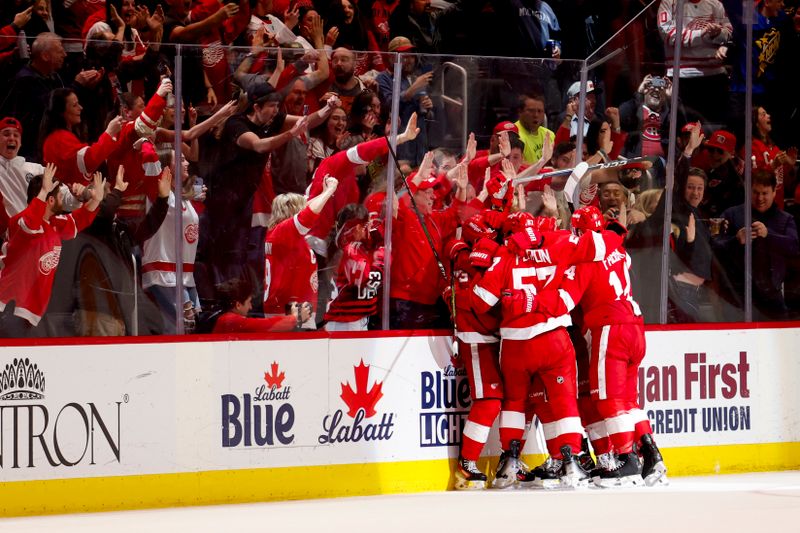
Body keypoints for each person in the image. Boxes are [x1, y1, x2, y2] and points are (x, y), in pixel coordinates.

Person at [470, 213, 624, 488]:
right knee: (564, 400)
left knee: (515, 402)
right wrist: (615, 230)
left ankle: (509, 463)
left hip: (516, 343)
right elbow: (602, 246)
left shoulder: (505, 252)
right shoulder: (561, 242)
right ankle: (571, 462)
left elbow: (481, 301)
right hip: (553, 338)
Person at [536, 206, 668, 487]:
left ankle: (626, 460)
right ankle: (650, 453)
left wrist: (533, 301)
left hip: (612, 327)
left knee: (607, 398)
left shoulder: (586, 259)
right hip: (635, 324)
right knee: (628, 399)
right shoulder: (620, 252)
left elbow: (565, 302)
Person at [0, 165, 104, 337]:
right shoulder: (21, 221)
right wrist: (45, 190)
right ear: (50, 201)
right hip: (8, 306)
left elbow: (80, 220)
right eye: (59, 195)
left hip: (30, 310)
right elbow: (30, 223)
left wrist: (97, 199)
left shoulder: (54, 224)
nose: (63, 198)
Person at [714, 171, 799, 320]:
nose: (760, 198)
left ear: (774, 192)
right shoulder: (731, 214)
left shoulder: (786, 219)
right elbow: (714, 246)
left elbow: (794, 248)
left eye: (765, 193)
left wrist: (769, 235)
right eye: (755, 192)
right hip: (737, 296)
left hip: (771, 297)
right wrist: (735, 240)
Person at [263, 175, 339, 329]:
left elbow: (307, 209)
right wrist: (330, 190)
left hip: (295, 308)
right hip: (289, 312)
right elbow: (308, 214)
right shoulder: (284, 231)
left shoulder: (282, 233)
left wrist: (323, 194)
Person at [141, 151, 201, 335]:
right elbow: (149, 159)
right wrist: (147, 138)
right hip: (164, 272)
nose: (187, 163)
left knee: (189, 328)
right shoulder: (159, 193)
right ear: (168, 167)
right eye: (181, 159)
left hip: (185, 274)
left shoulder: (184, 198)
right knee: (176, 329)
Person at [657, 0, 732, 126]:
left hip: (714, 75)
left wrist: (717, 34)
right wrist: (702, 34)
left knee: (716, 128)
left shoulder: (715, 3)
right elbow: (668, 34)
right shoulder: (669, 2)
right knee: (684, 130)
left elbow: (728, 31)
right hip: (682, 76)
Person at [41, 88, 123, 186]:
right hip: (67, 198)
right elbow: (88, 161)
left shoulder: (63, 136)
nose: (80, 108)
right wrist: (109, 133)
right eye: (74, 105)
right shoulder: (59, 138)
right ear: (61, 112)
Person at [323, 204, 384, 331]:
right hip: (345, 322)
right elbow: (370, 281)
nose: (370, 229)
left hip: (358, 319)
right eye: (366, 225)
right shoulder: (349, 251)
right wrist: (381, 256)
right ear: (357, 227)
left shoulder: (360, 249)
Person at [213, 277, 300, 333]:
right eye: (249, 302)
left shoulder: (224, 319)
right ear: (238, 305)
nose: (250, 307)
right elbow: (265, 326)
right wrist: (295, 318)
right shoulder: (230, 321)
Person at [514, 93, 555, 165]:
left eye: (540, 111)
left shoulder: (550, 134)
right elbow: (516, 166)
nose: (536, 115)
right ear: (520, 112)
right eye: (531, 111)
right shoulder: (513, 134)